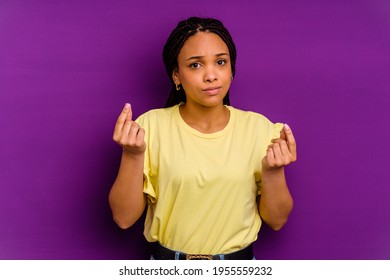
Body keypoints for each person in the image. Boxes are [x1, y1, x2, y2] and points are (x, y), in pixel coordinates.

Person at [109, 17, 297, 260]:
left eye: (220, 62)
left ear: (231, 69)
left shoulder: (260, 130)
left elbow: (278, 220)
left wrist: (273, 172)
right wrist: (132, 155)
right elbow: (124, 219)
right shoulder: (150, 127)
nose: (211, 75)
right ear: (176, 75)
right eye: (195, 65)